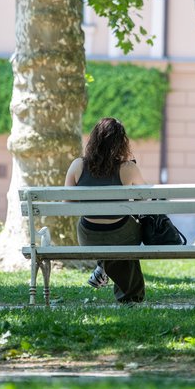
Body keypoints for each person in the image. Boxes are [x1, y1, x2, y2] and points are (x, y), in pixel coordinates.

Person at [64, 117, 146, 304]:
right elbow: (145, 198)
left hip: (88, 236)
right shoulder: (128, 168)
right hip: (122, 235)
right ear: (121, 142)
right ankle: (131, 296)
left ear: (93, 140)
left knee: (119, 234)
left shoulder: (78, 165)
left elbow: (66, 201)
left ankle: (104, 265)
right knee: (131, 229)